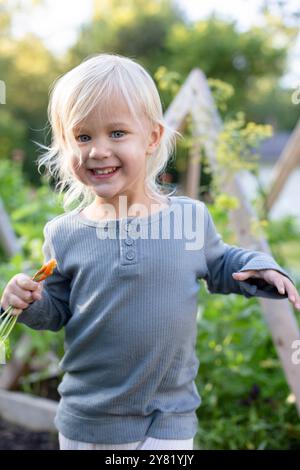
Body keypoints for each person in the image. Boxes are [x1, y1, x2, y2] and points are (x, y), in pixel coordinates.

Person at [1, 53, 299, 451]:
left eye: (118, 133)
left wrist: (260, 267)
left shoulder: (189, 219)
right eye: (83, 137)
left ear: (153, 138)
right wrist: (28, 302)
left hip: (168, 421)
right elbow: (56, 309)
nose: (98, 151)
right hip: (86, 422)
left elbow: (223, 262)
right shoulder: (64, 232)